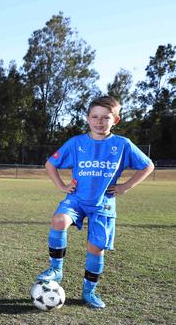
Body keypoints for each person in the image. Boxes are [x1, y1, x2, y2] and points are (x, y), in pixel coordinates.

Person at [36, 95, 154, 309]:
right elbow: (50, 164)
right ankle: (56, 268)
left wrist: (125, 186)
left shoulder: (122, 144)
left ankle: (89, 292)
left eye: (105, 117)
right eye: (95, 117)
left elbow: (147, 166)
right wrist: (63, 186)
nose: (99, 122)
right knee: (59, 220)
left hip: (104, 203)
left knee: (96, 248)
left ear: (115, 120)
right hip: (77, 200)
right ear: (88, 118)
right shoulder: (76, 143)